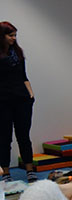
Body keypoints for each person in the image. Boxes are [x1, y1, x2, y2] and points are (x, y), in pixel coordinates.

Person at [0, 21, 37, 183]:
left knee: (24, 136)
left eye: (15, 35)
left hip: (22, 100)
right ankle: (6, 172)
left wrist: (31, 95)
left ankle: (30, 170)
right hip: (3, 102)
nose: (14, 38)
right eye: (10, 35)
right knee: (4, 138)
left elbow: (23, 76)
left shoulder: (18, 53)